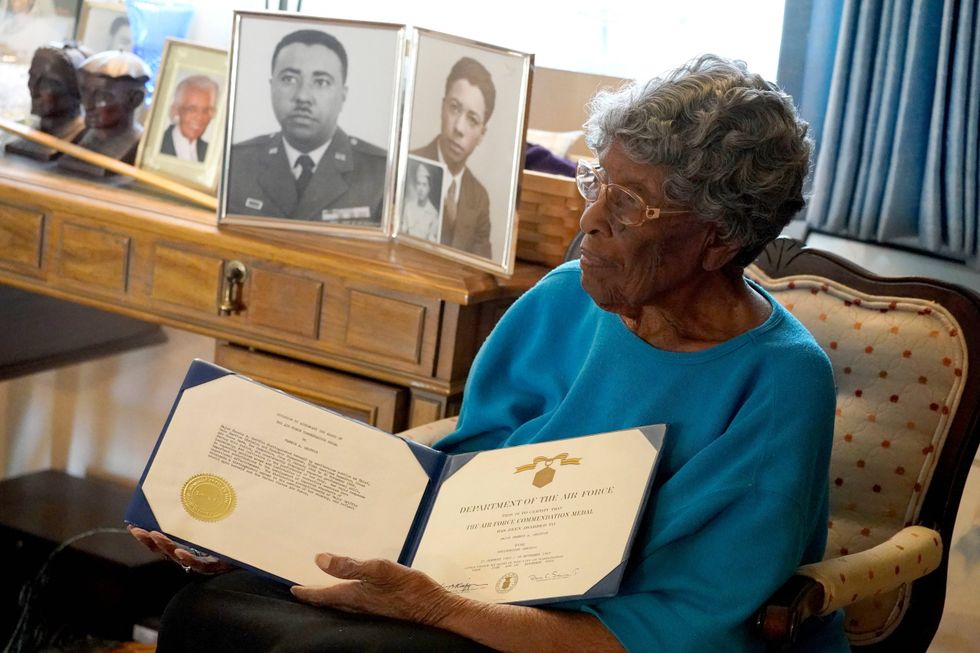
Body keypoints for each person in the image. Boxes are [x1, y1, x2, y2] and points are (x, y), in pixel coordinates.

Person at [131, 54, 849, 652]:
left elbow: (685, 623)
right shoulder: (564, 297)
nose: (589, 219)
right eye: (596, 182)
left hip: (600, 635)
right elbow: (453, 483)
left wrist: (440, 609)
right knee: (209, 606)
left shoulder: (781, 381)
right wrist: (255, 529)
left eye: (627, 206)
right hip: (461, 579)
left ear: (719, 237)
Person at [226, 29, 387, 224]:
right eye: (289, 79)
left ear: (343, 95)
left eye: (321, 82)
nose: (302, 96)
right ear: (272, 87)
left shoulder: (380, 174)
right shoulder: (236, 163)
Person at [412, 57, 494, 259]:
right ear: (442, 107)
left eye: (472, 120)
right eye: (454, 108)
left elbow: (480, 269)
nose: (458, 128)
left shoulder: (479, 197)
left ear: (481, 135)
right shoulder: (407, 167)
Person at [57, 49, 150, 176]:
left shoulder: (138, 145)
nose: (87, 104)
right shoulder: (82, 134)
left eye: (102, 96)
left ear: (135, 99)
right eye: (85, 91)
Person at [5, 42, 90, 161]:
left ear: (77, 90)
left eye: (49, 83)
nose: (34, 90)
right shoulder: (24, 134)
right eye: (32, 77)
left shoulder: (85, 142)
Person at [160, 74, 219, 162]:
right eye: (191, 109)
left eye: (206, 111)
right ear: (176, 110)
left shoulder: (211, 154)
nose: (199, 118)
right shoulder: (157, 145)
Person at [400, 161, 440, 242]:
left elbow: (432, 240)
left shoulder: (433, 214)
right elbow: (403, 230)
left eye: (424, 185)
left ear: (429, 188)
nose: (421, 189)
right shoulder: (409, 206)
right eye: (419, 184)